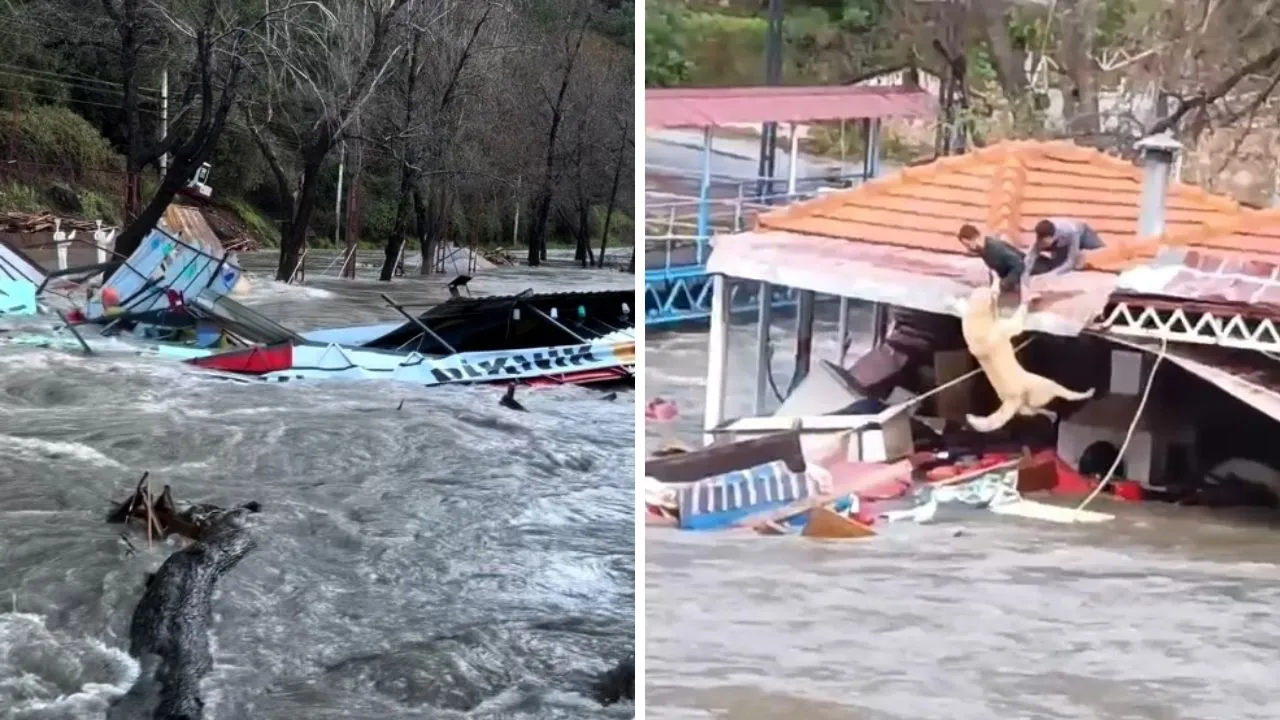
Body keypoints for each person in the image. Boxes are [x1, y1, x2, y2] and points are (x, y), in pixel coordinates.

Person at [1027, 218, 1105, 276]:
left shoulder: (1070, 232)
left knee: (1100, 257)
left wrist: (1051, 275)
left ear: (1052, 237)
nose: (1044, 245)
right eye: (1042, 243)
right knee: (1057, 265)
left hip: (1082, 234)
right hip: (1062, 244)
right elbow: (1030, 257)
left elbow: (1070, 262)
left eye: (1045, 243)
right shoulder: (1040, 238)